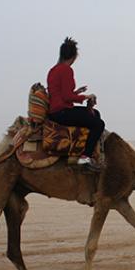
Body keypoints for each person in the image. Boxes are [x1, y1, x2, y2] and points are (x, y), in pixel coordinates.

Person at [46, 37, 105, 170]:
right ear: (74, 56)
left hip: (56, 110)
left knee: (95, 113)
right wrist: (86, 96)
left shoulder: (53, 70)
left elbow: (60, 93)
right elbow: (67, 97)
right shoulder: (66, 70)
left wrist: (77, 92)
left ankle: (89, 151)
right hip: (61, 112)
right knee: (98, 124)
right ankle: (86, 157)